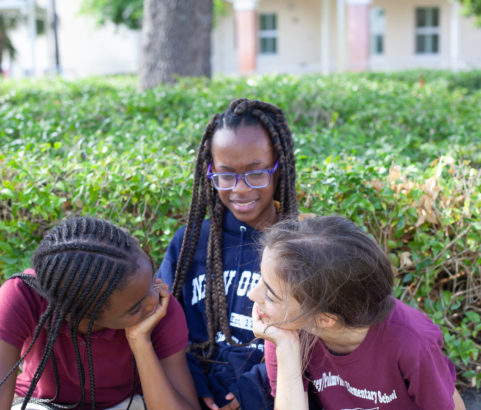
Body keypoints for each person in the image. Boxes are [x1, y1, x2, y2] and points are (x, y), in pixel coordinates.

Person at [158, 98, 297, 409]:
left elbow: (313, 336)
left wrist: (253, 389)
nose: (241, 189)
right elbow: (165, 324)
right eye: (226, 175)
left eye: (256, 173)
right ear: (210, 171)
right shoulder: (190, 243)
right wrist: (191, 380)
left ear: (279, 167)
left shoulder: (300, 246)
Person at [249, 215, 466, 410]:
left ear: (323, 319)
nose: (252, 295)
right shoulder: (289, 327)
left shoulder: (412, 343)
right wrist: (286, 347)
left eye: (270, 294)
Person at [0, 217, 200, 410]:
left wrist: (140, 342)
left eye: (152, 278)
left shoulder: (160, 308)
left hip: (127, 404)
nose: (155, 298)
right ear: (79, 315)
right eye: (135, 307)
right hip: (43, 403)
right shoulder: (23, 297)